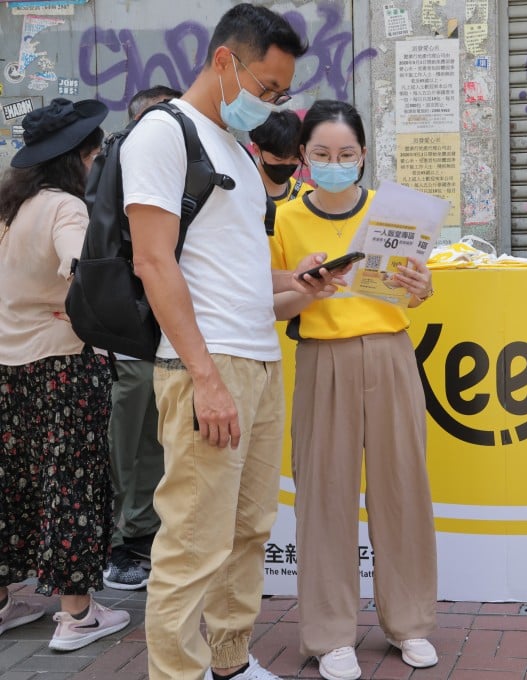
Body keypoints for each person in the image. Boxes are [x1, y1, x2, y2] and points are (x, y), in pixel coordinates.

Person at [119, 5, 336, 680]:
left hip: (261, 363)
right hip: (205, 369)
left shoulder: (236, 148)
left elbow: (234, 267)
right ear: (225, 63)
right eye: (268, 89)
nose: (273, 103)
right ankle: (177, 673)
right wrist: (205, 376)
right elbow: (154, 262)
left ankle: (230, 661)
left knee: (247, 532)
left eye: (282, 93)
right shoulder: (163, 135)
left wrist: (296, 279)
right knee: (191, 542)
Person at [270, 100, 439, 680]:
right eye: (321, 154)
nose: (334, 163)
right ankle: (329, 634)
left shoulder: (393, 212)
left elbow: (411, 293)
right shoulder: (286, 220)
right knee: (325, 495)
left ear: (363, 155)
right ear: (302, 158)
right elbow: (274, 303)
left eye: (346, 154)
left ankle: (409, 623)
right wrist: (308, 291)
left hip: (391, 355)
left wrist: (422, 286)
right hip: (323, 358)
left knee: (402, 489)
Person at [0, 97, 131, 651]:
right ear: (81, 157)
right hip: (64, 366)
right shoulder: (65, 208)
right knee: (71, 482)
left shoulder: (10, 206)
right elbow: (85, 267)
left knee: (12, 484)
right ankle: (77, 614)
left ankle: (7, 602)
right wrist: (83, 304)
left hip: (8, 366)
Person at [103, 84, 184, 592]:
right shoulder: (115, 173)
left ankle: (147, 532)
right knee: (126, 440)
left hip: (172, 328)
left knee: (159, 436)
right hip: (129, 330)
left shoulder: (182, 171)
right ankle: (121, 543)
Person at [250, 109, 310, 205]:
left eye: (294, 158)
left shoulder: (307, 197)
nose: (287, 164)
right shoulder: (240, 194)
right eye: (278, 159)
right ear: (257, 150)